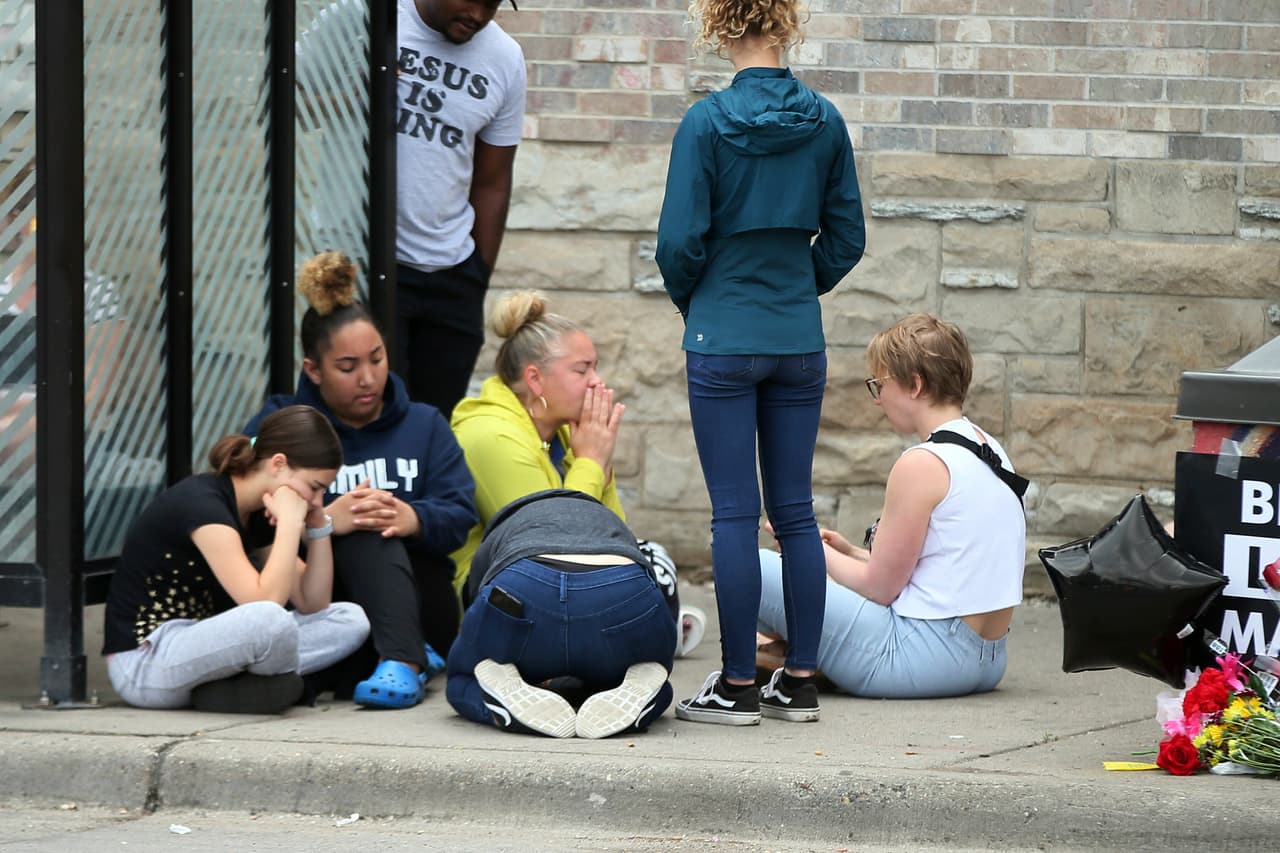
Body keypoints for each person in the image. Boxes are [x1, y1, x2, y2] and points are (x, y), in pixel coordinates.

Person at [655, 0, 865, 725]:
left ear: (718, 25)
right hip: (796, 337)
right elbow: (846, 238)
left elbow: (677, 245)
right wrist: (795, 292)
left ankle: (740, 685)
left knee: (734, 514)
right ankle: (800, 681)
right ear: (786, 23)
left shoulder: (704, 123)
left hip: (721, 335)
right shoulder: (826, 121)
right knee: (796, 512)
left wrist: (705, 303)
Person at [245, 251, 477, 709]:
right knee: (356, 529)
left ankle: (403, 657)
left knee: (376, 527)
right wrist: (327, 520)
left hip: (421, 598)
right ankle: (402, 659)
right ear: (313, 369)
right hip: (324, 607)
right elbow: (245, 516)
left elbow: (460, 515)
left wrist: (411, 517)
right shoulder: (280, 426)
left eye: (377, 359)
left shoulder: (425, 424)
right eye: (348, 367)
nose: (368, 378)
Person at [757, 314, 1026, 699]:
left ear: (914, 384)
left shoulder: (922, 463)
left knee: (755, 568)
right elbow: (939, 570)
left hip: (919, 659)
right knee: (815, 572)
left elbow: (880, 588)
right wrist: (848, 553)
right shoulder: (988, 449)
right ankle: (800, 652)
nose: (878, 398)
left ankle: (795, 652)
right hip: (986, 660)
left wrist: (803, 546)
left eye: (880, 385)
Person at [449, 290, 704, 656]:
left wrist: (600, 460)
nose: (597, 382)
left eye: (595, 367)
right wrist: (591, 461)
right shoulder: (489, 436)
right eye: (582, 369)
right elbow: (554, 545)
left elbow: (614, 537)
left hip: (560, 585)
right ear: (535, 380)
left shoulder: (563, 428)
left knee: (651, 557)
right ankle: (648, 631)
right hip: (495, 597)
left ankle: (641, 630)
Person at [102, 405, 370, 712]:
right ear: (278, 464)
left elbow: (313, 603)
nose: (314, 500)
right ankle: (264, 686)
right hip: (145, 661)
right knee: (269, 621)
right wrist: (289, 524)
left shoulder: (256, 513)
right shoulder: (204, 506)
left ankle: (238, 688)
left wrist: (319, 524)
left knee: (349, 619)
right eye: (313, 488)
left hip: (208, 648)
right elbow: (263, 603)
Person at [446, 489, 677, 738]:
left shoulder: (502, 529)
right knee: (656, 678)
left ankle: (499, 704)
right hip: (623, 588)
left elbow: (478, 601)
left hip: (524, 583)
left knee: (463, 678)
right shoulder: (610, 521)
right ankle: (642, 696)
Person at [394, 0, 526, 417]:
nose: (480, 13)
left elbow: (492, 180)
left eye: (493, 3)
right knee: (370, 427)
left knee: (433, 429)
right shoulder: (365, 17)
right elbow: (292, 96)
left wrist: (474, 280)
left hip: (451, 281)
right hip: (368, 267)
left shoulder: (504, 58)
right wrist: (355, 85)